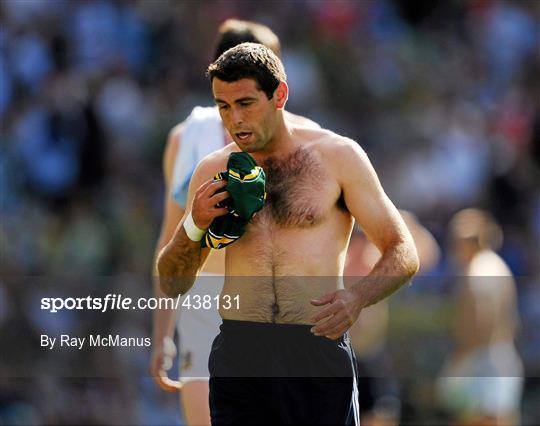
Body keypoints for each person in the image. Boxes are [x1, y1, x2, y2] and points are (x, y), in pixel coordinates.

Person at [157, 43, 419, 425]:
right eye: (223, 106)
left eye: (246, 103)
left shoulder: (337, 157)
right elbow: (172, 281)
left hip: (316, 351)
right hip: (240, 353)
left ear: (279, 95)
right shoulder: (213, 169)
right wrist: (194, 223)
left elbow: (403, 250)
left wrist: (357, 297)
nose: (234, 120)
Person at [150, 19, 318, 426]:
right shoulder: (190, 139)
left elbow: (167, 241)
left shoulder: (307, 139)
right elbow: (173, 241)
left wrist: (162, 335)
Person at [345, 211, 441, 426]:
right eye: (357, 237)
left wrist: (398, 219)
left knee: (382, 413)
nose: (361, 242)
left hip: (373, 354)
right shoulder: (342, 262)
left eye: (364, 237)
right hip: (347, 355)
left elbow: (427, 254)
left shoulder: (376, 262)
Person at [437, 208, 523, 426]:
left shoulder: (477, 270)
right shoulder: (497, 264)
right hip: (501, 357)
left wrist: (460, 358)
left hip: (481, 362)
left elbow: (480, 318)